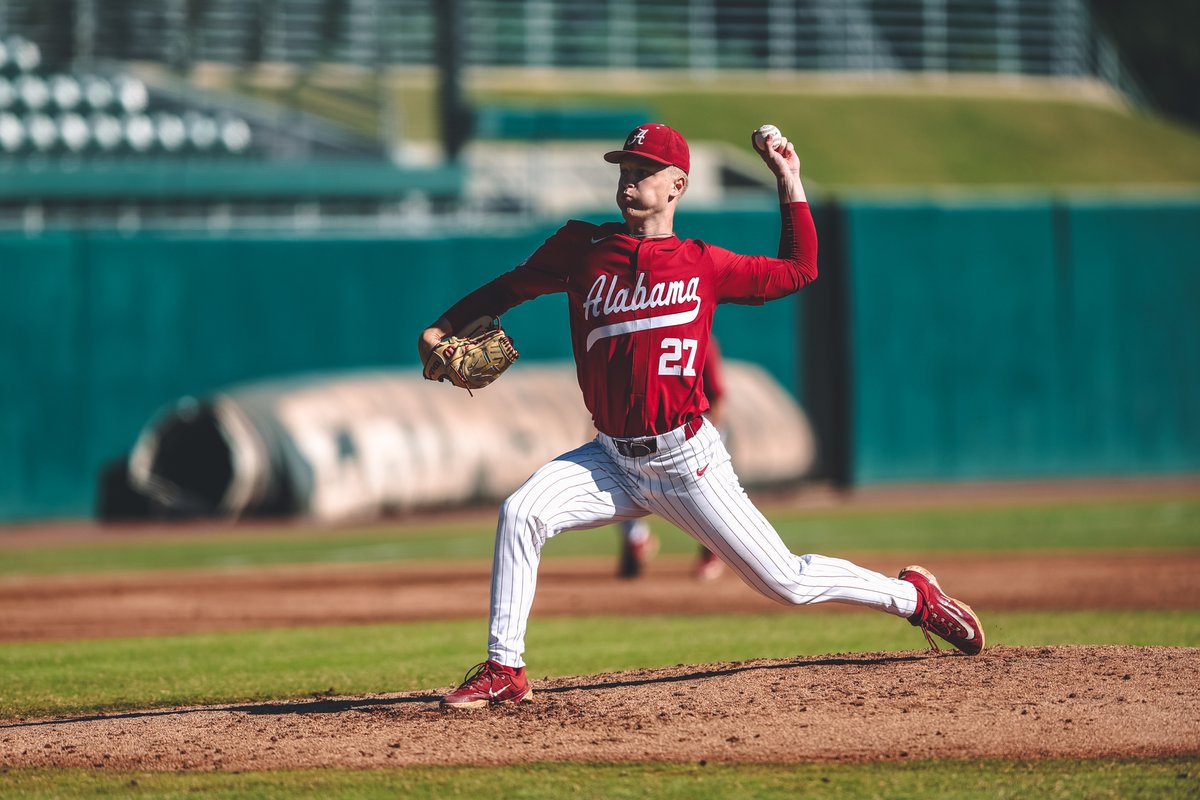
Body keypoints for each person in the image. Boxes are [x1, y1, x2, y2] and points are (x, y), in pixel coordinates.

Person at [418, 123, 984, 710]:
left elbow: (800, 269)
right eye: (624, 168)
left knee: (786, 581)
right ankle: (504, 669)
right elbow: (507, 289)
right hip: (610, 459)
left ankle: (914, 599)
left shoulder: (702, 264)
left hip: (686, 463)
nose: (629, 179)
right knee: (522, 512)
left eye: (643, 170)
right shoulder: (581, 249)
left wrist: (788, 179)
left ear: (677, 186)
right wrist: (441, 328)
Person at [617, 337, 726, 581]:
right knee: (615, 475)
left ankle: (712, 550)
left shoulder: (701, 340)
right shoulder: (640, 339)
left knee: (709, 496)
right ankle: (636, 539)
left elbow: (717, 396)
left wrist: (711, 439)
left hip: (698, 428)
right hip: (650, 430)